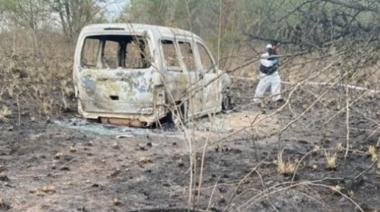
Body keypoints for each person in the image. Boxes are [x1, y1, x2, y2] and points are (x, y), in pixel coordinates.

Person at [253, 41, 284, 105]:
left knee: (277, 82)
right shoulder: (264, 56)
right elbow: (268, 65)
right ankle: (257, 99)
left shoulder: (276, 56)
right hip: (265, 75)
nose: (277, 48)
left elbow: (277, 64)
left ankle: (276, 97)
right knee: (261, 87)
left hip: (274, 74)